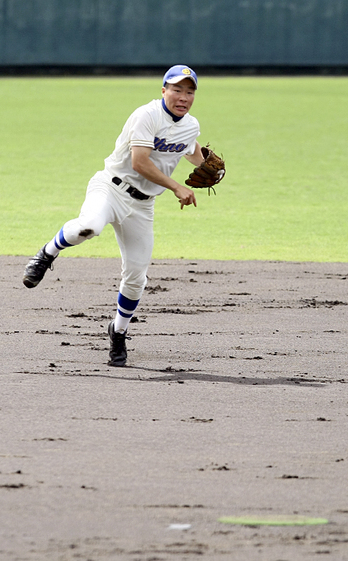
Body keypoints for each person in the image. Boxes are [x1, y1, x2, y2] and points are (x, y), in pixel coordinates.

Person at [22, 65, 215, 367]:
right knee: (88, 227)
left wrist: (210, 164)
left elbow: (190, 151)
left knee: (137, 276)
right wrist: (177, 187)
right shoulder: (146, 115)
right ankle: (46, 255)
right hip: (110, 188)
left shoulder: (191, 125)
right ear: (163, 90)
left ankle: (118, 331)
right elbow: (139, 162)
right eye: (177, 89)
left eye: (190, 91)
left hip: (143, 206)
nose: (183, 96)